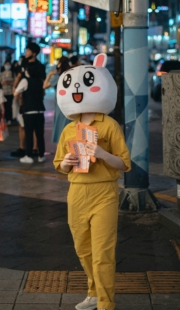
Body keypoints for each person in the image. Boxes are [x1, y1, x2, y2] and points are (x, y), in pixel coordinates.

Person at [53, 53, 131, 310]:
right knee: (82, 249)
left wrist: (103, 154)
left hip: (104, 192)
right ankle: (94, 291)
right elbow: (59, 166)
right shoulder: (68, 128)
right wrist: (66, 163)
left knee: (103, 252)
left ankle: (106, 303)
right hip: (76, 192)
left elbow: (124, 163)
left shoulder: (109, 125)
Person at [10, 43, 45, 158]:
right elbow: (19, 77)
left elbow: (43, 83)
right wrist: (15, 88)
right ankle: (23, 147)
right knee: (23, 125)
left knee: (33, 128)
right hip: (24, 100)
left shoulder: (39, 66)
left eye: (28, 50)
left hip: (32, 100)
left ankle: (34, 149)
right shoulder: (24, 64)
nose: (26, 52)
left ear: (34, 53)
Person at [14, 64, 46, 164]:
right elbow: (43, 94)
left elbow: (16, 93)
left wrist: (21, 101)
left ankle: (29, 155)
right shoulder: (40, 81)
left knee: (29, 133)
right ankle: (41, 155)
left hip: (29, 111)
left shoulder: (25, 81)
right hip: (40, 111)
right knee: (40, 134)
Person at [43, 57, 71, 143]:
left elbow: (44, 86)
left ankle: (62, 149)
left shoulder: (58, 77)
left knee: (60, 128)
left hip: (61, 105)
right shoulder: (70, 75)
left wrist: (49, 74)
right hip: (71, 104)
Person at [0, 60, 14, 124]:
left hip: (10, 92)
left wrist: (9, 83)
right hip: (3, 93)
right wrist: (3, 82)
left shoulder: (13, 73)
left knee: (9, 106)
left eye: (8, 64)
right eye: (6, 64)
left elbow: (15, 82)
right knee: (3, 107)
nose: (7, 65)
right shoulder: (1, 74)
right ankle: (3, 118)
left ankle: (9, 119)